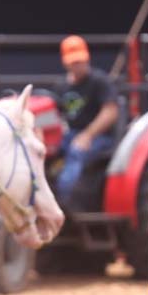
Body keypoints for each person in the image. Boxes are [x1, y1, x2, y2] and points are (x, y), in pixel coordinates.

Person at [53, 35, 119, 206]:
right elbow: (56, 114)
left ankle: (64, 202)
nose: (78, 65)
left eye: (80, 61)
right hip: (71, 134)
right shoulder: (61, 86)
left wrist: (88, 135)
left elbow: (111, 112)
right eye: (73, 62)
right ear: (65, 63)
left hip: (100, 137)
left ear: (87, 58)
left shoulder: (99, 81)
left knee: (76, 151)